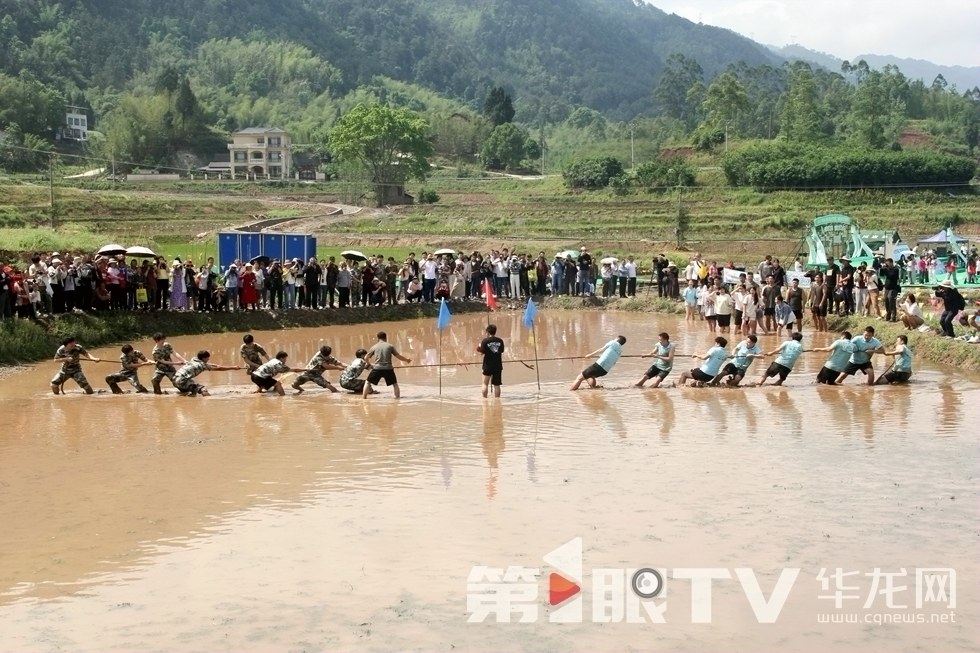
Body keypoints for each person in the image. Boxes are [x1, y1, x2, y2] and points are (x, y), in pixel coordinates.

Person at [363, 331, 412, 398]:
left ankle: (364, 398)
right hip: (388, 368)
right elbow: (398, 356)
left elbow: (366, 357)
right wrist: (407, 360)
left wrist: (369, 364)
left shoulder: (374, 347)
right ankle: (397, 399)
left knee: (368, 382)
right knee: (395, 384)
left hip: (377, 368)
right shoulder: (390, 346)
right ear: (386, 338)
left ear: (378, 338)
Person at [173, 350, 243, 397]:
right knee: (203, 389)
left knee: (190, 390)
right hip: (182, 381)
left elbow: (211, 365)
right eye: (207, 358)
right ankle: (208, 399)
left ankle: (189, 396)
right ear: (203, 358)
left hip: (175, 380)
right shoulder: (202, 365)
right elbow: (219, 369)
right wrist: (233, 367)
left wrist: (215, 365)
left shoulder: (194, 359)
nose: (208, 360)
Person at [477, 324, 505, 397]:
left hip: (488, 365)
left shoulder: (485, 341)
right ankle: (497, 400)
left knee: (484, 383)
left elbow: (482, 351)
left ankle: (484, 400)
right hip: (498, 365)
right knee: (497, 385)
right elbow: (501, 350)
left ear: (487, 332)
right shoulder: (500, 341)